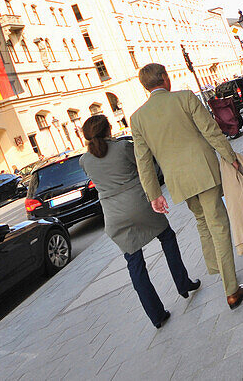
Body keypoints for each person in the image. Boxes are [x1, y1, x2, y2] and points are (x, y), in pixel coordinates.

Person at [129, 63, 243, 310]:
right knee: (218, 223)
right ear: (164, 78)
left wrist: (154, 195)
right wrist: (230, 156)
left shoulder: (137, 118)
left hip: (178, 182)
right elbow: (210, 131)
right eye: (168, 75)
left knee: (202, 221)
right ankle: (231, 289)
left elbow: (143, 161)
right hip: (203, 171)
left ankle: (217, 267)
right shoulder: (184, 98)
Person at [79, 115, 199, 328]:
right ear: (108, 130)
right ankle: (183, 284)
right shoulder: (123, 147)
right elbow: (146, 167)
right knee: (167, 237)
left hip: (114, 215)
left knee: (134, 262)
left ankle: (157, 315)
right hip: (139, 204)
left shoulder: (84, 161)